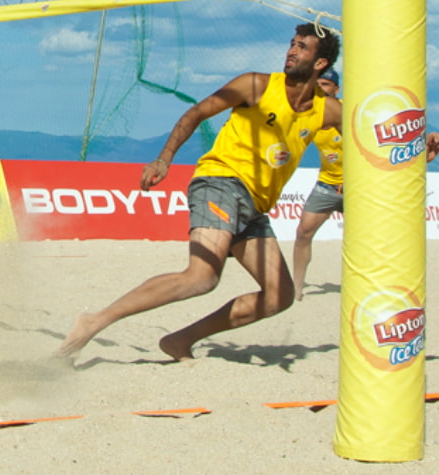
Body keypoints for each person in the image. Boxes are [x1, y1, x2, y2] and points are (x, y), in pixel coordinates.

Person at [59, 24, 346, 362]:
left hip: (254, 206)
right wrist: (164, 158)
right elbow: (197, 112)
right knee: (201, 276)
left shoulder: (327, 110)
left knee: (279, 296)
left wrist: (407, 150)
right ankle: (93, 322)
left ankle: (180, 340)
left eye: (302, 47)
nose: (292, 51)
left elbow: (371, 138)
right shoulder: (256, 84)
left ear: (320, 64)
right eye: (292, 44)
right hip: (220, 182)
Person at [293, 66, 343, 301]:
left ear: (336, 89)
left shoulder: (348, 111)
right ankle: (297, 287)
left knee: (366, 239)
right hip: (327, 184)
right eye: (317, 84)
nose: (320, 88)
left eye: (325, 84)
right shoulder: (312, 115)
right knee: (303, 232)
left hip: (358, 187)